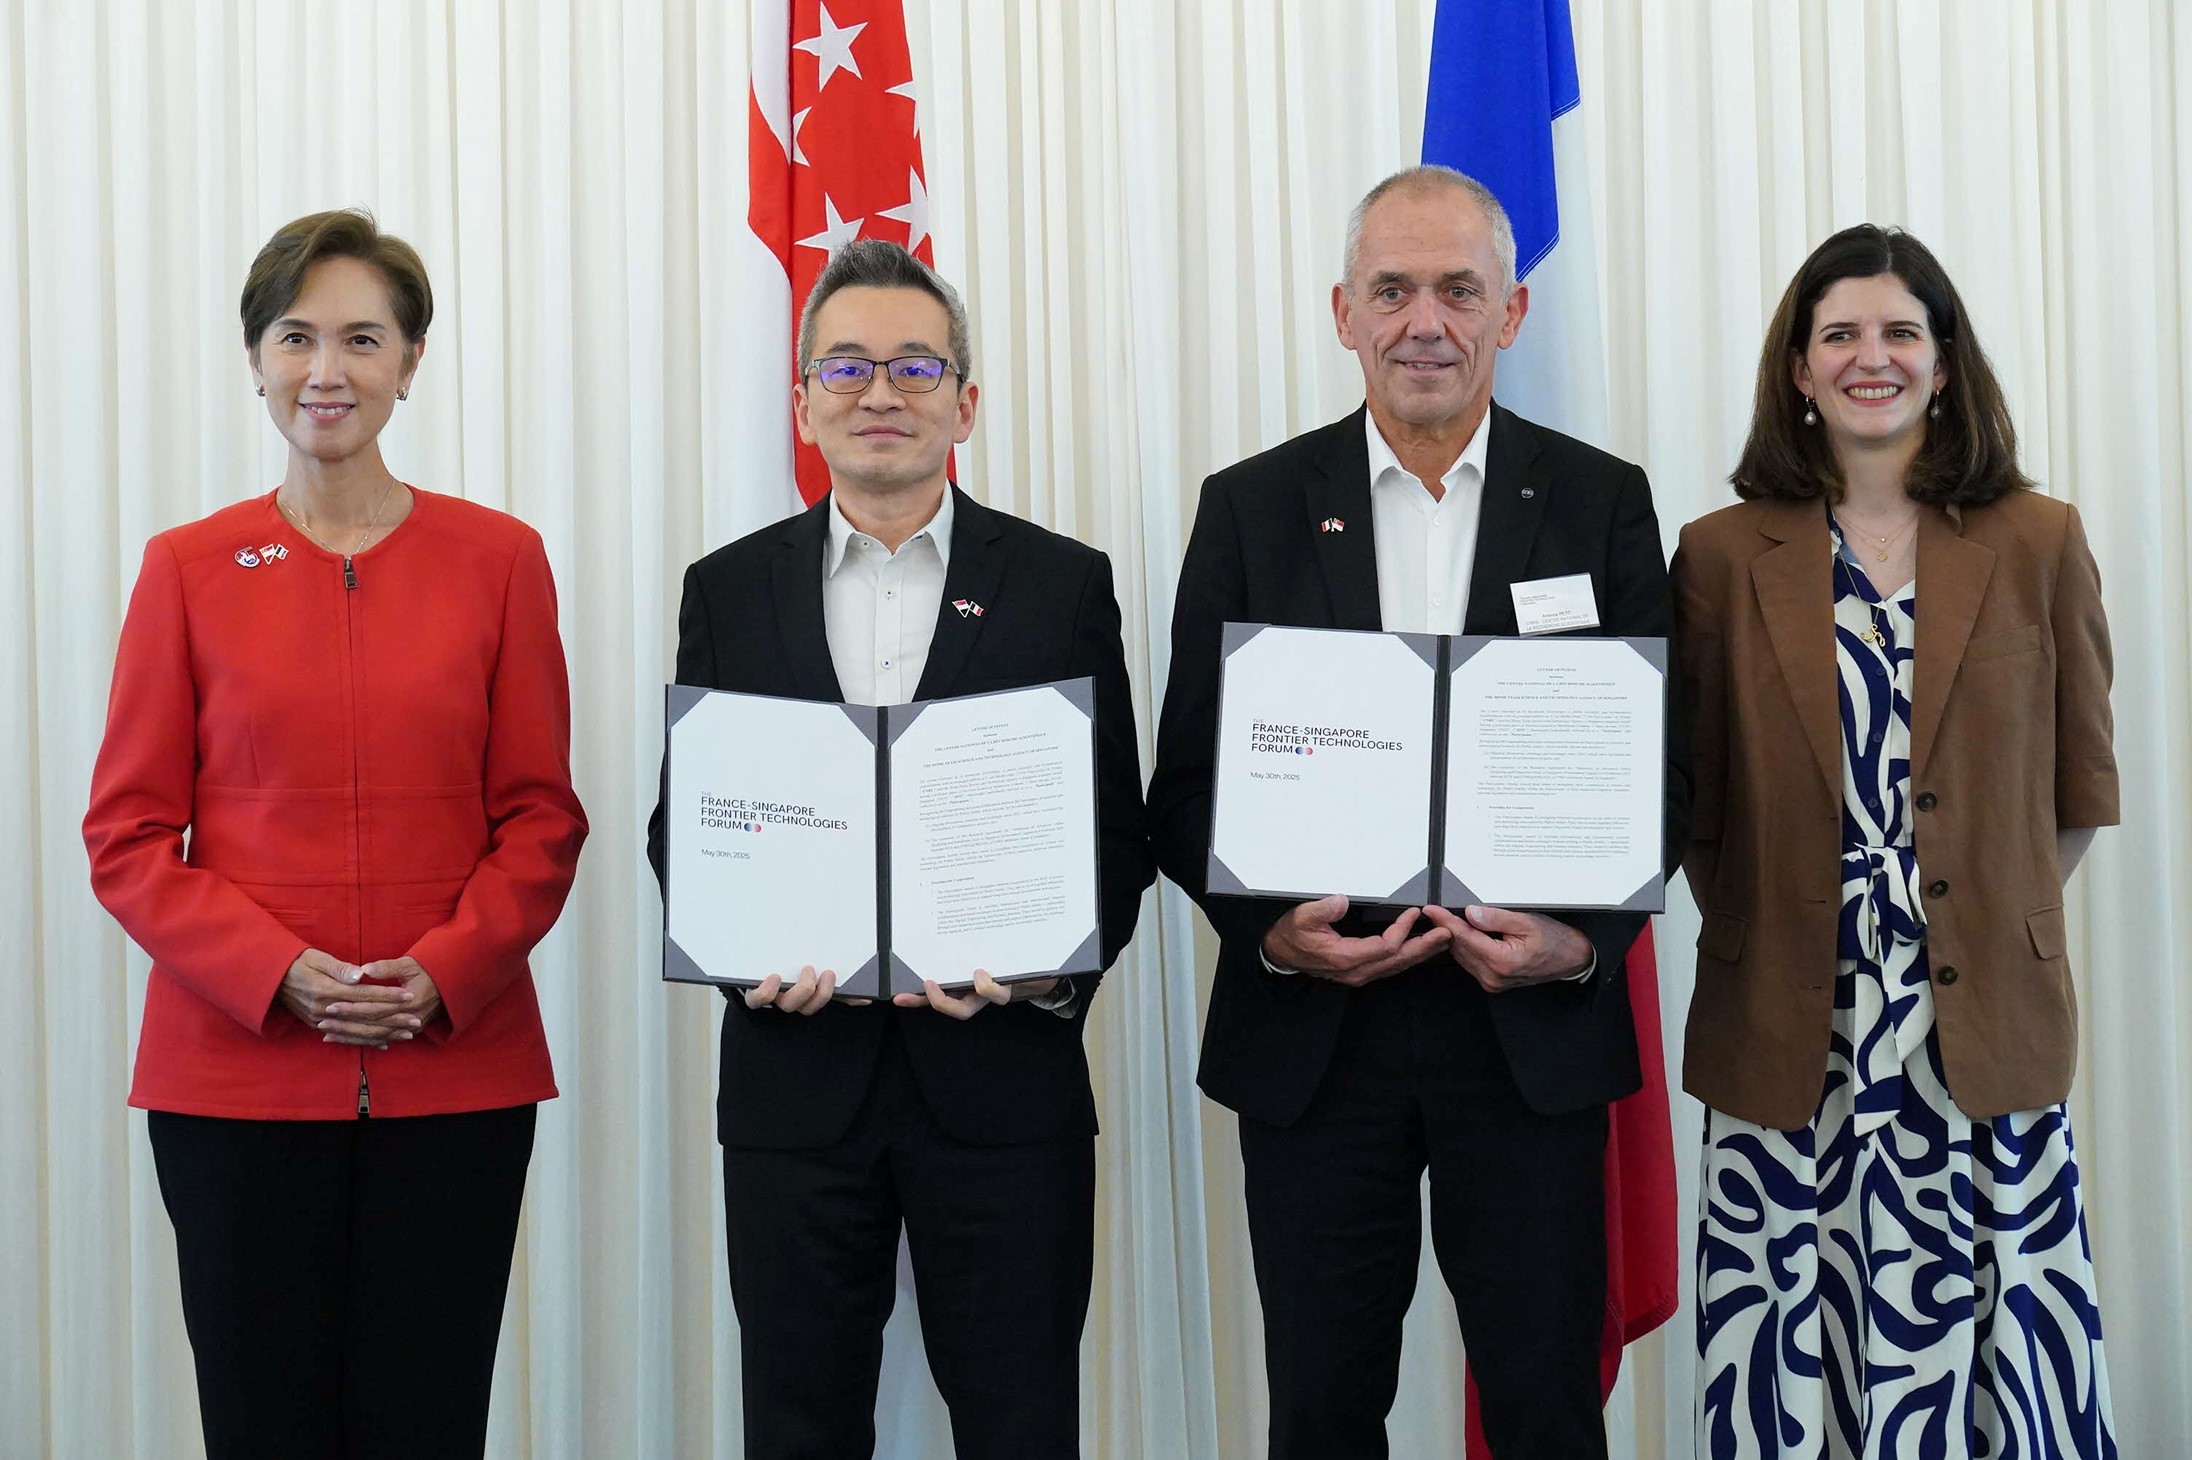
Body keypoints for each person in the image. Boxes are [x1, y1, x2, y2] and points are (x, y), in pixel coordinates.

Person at [1147, 164, 1686, 1460]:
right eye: (1393, 290)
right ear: (1344, 312)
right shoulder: (1251, 509)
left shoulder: (1602, 503)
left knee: (1549, 1407)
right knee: (1324, 1416)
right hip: (1318, 1038)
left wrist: (1582, 944)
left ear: (1515, 308)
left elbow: (1668, 771)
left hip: (1530, 1034)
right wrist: (1275, 933)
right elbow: (1182, 791)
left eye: (1458, 288)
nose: (1425, 321)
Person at [82, 208, 588, 1459]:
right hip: (235, 1081)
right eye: (296, 336)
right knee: (264, 1424)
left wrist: (445, 971)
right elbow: (129, 833)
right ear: (253, 358)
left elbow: (539, 815)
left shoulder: (500, 560)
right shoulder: (186, 568)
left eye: (363, 338)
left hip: (454, 1075)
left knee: (428, 1422)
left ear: (411, 361)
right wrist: (277, 972)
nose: (328, 369)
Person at [645, 238, 1151, 1460]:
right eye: (849, 365)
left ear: (966, 401)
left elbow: (1116, 837)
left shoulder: (1058, 582)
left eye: (917, 365)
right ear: (804, 398)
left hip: (1005, 1086)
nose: (882, 391)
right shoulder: (727, 588)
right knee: (798, 1428)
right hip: (793, 1085)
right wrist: (742, 957)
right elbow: (687, 824)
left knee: (1021, 1423)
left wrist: (1039, 970)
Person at [1673, 223, 2119, 1457]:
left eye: (1898, 332)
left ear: (1940, 359)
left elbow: (2076, 789)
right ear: (1798, 371)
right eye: (1839, 335)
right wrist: (1807, 917)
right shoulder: (1718, 555)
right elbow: (1698, 807)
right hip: (1784, 1026)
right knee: (1789, 1353)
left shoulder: (2035, 537)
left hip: (1975, 1028)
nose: (1870, 357)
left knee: (1991, 1360)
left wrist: (1959, 906)